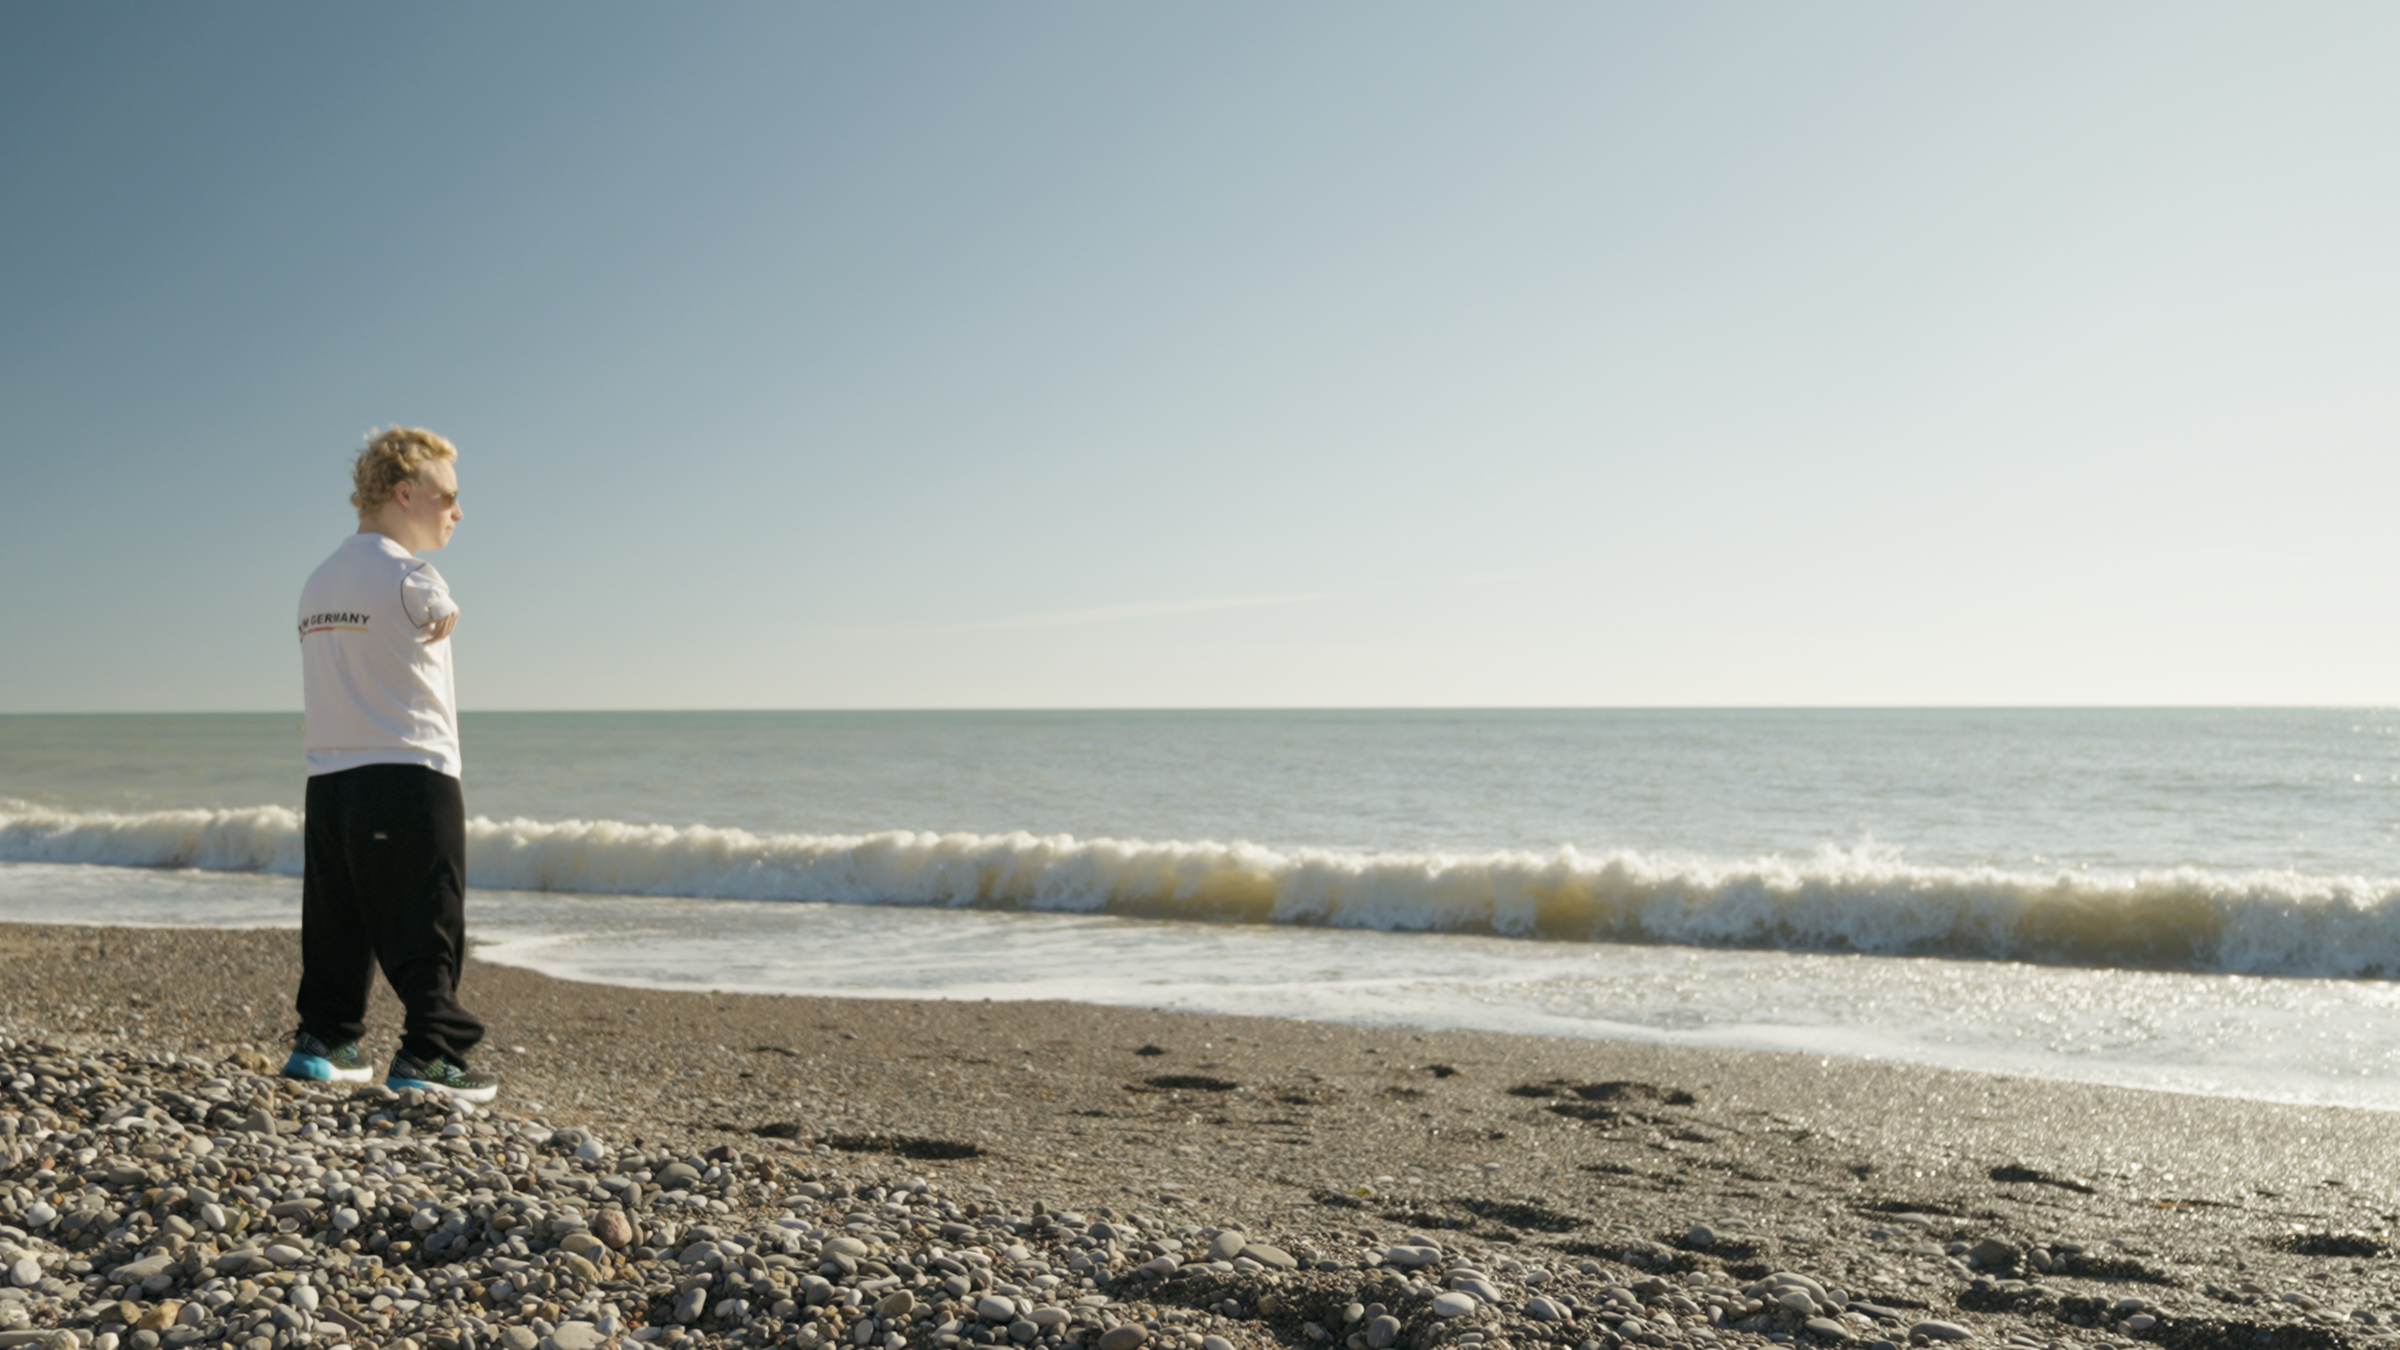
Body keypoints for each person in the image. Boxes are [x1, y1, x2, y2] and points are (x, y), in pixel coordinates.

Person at [285, 427, 497, 1102]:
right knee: (426, 917)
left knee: (337, 918)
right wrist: (446, 605)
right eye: (449, 497)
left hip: (330, 782)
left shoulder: (318, 580)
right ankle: (431, 1056)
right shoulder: (413, 575)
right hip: (410, 773)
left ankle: (327, 1042)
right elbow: (436, 606)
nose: (458, 512)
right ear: (405, 493)